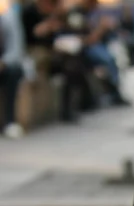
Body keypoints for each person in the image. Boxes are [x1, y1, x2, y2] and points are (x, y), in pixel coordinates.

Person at [22, 0, 95, 122]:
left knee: (74, 61)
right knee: (71, 64)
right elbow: (30, 36)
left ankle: (76, 104)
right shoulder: (30, 12)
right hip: (36, 50)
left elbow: (73, 32)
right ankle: (78, 104)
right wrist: (47, 27)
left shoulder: (59, 13)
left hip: (55, 49)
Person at [0, 0, 25, 139]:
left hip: (6, 66)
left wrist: (2, 63)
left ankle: (10, 122)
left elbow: (15, 50)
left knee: (13, 72)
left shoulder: (9, 18)